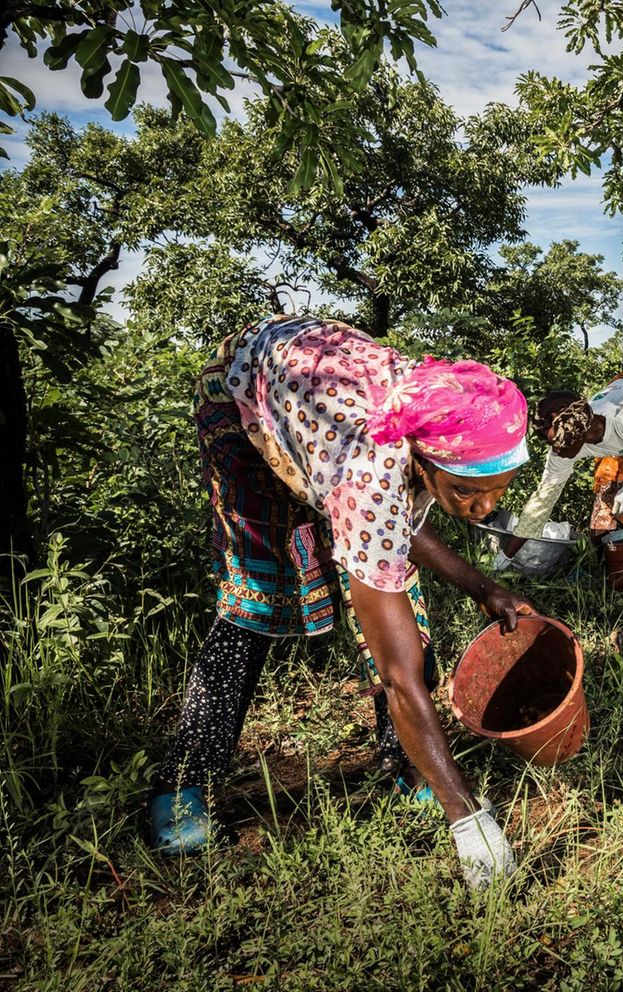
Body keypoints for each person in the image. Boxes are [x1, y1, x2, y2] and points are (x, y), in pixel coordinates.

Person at [150, 314, 535, 889]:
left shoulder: (438, 408)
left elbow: (397, 522)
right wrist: (468, 819)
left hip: (319, 409)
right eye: (467, 492)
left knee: (409, 610)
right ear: (423, 462)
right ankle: (183, 782)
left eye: (496, 492)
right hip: (242, 402)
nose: (483, 509)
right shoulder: (370, 468)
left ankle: (407, 764)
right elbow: (397, 673)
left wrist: (482, 585)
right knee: (255, 600)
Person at [504, 376, 623, 566]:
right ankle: (604, 561)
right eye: (553, 445)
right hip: (620, 437)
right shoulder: (565, 440)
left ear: (581, 437)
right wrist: (505, 556)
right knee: (606, 492)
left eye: (559, 446)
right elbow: (543, 501)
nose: (556, 451)